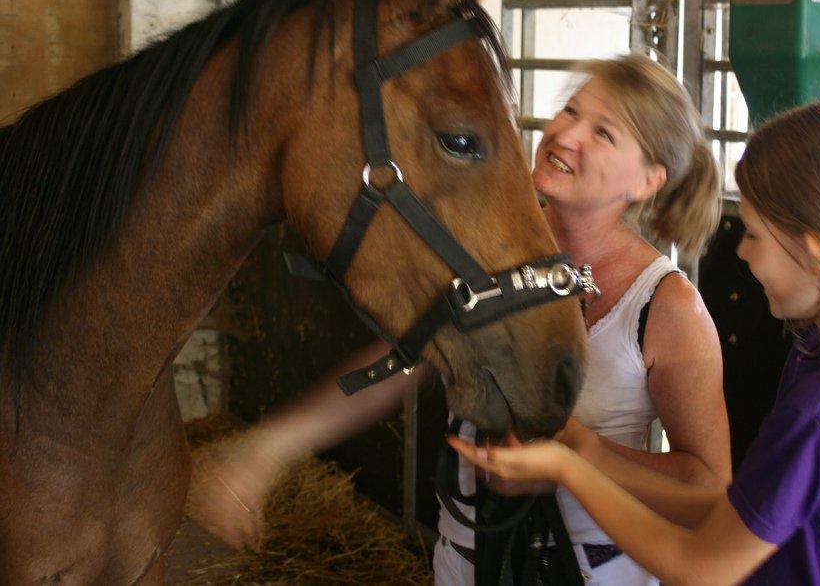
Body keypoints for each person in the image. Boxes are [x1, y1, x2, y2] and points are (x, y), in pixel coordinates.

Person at [187, 54, 732, 585]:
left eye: (604, 133)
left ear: (645, 182)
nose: (565, 135)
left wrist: (576, 453)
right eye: (571, 112)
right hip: (466, 559)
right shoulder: (483, 250)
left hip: (596, 570)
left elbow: (709, 486)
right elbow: (397, 364)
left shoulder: (664, 305)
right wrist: (268, 450)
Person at [450, 98, 820, 585]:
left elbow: (699, 568)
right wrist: (579, 445)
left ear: (812, 252)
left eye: (753, 235)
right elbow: (729, 512)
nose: (741, 253)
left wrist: (566, 470)